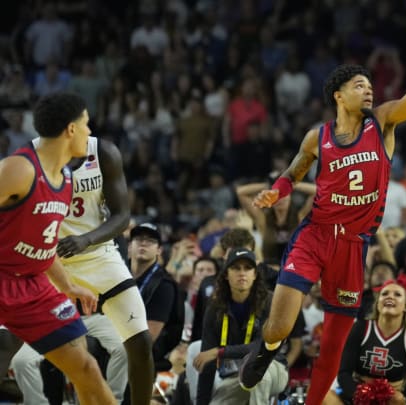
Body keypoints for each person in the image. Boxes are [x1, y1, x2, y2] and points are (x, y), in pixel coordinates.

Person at [239, 1, 406, 403]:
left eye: (370, 84)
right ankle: (265, 351)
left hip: (354, 246)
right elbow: (294, 172)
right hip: (315, 234)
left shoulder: (382, 120)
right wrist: (276, 193)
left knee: (333, 349)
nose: (368, 88)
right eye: (359, 84)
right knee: (279, 325)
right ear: (338, 95)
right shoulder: (318, 137)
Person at [0, 92, 115, 404]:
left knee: (87, 369)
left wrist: (69, 286)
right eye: (87, 124)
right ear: (71, 129)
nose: (91, 132)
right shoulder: (19, 169)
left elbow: (43, 244)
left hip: (34, 287)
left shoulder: (65, 178)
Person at [39, 134, 155, 405]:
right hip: (50, 260)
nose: (86, 128)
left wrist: (86, 239)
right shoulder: (31, 159)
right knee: (16, 349)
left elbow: (122, 215)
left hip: (97, 255)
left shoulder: (102, 151)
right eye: (80, 122)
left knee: (140, 342)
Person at [323, 278, 406, 405]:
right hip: (357, 396)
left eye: (397, 294)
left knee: (397, 399)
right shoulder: (360, 328)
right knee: (324, 397)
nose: (390, 297)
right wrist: (363, 395)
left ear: (405, 306)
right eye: (384, 293)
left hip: (391, 400)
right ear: (378, 303)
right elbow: (344, 374)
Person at [194, 248, 287, 405]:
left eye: (247, 268)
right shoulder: (215, 308)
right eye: (236, 268)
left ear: (255, 274)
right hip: (235, 374)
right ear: (225, 275)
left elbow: (261, 348)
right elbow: (207, 363)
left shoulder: (270, 302)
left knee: (256, 373)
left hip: (272, 367)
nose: (242, 273)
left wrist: (220, 352)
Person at [128, 223, 185, 373]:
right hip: (116, 335)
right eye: (139, 239)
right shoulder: (118, 273)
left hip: (148, 348)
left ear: (159, 250)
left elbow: (149, 336)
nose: (144, 243)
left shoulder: (163, 284)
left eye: (151, 241)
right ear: (129, 247)